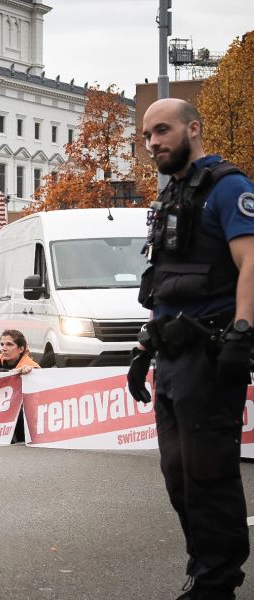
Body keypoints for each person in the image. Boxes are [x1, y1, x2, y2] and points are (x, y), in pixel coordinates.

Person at [128, 98, 254, 600]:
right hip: (173, 360)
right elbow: (164, 284)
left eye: (162, 131)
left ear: (192, 129)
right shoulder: (172, 195)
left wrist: (243, 334)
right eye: (146, 136)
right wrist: (143, 347)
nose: (153, 142)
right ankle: (205, 566)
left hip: (212, 354)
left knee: (208, 474)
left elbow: (250, 265)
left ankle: (217, 582)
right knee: (178, 475)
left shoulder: (228, 187)